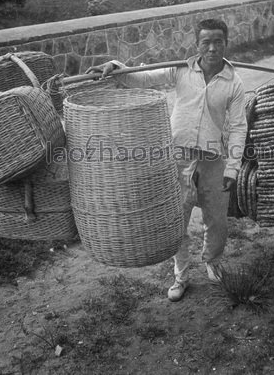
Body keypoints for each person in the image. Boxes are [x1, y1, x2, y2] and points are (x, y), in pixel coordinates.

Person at [87, 18, 247, 302]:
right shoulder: (181, 70)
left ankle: (212, 262)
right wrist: (115, 67)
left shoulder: (234, 83)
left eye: (218, 42)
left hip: (214, 160)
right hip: (178, 157)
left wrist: (233, 167)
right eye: (205, 42)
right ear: (196, 45)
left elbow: (237, 128)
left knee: (217, 220)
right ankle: (181, 275)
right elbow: (144, 77)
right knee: (177, 219)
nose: (212, 48)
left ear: (226, 43)